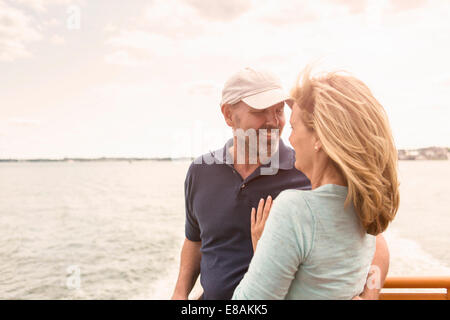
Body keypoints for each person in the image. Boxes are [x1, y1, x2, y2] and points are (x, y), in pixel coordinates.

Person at [171, 67, 390, 300]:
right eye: (260, 111)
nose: (274, 122)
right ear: (228, 115)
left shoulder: (310, 172)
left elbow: (374, 241)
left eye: (278, 110)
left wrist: (369, 295)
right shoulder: (201, 171)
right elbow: (194, 241)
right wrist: (180, 293)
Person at [232, 67, 399, 300]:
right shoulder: (365, 205)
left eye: (293, 127)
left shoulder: (294, 208)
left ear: (319, 137)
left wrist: (263, 249)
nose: (289, 138)